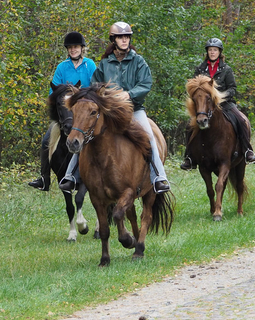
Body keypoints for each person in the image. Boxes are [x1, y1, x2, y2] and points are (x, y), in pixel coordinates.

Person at [59, 22, 171, 194]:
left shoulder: (138, 61)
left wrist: (129, 94)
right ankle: (71, 176)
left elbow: (146, 84)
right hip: (109, 112)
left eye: (127, 37)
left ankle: (159, 178)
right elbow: (95, 86)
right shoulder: (105, 64)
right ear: (114, 40)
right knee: (83, 132)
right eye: (120, 37)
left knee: (149, 137)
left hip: (134, 110)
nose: (124, 40)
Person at [28, 31, 96, 190]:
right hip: (65, 114)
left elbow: (94, 88)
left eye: (76, 47)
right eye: (70, 48)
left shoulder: (90, 65)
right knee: (46, 141)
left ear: (82, 48)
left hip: (83, 114)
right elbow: (53, 93)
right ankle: (44, 179)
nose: (73, 50)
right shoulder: (62, 67)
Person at [180, 38, 255, 170]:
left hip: (224, 104)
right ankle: (189, 157)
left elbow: (232, 88)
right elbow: (194, 87)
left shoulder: (226, 69)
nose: (212, 52)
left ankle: (247, 150)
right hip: (204, 105)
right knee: (189, 126)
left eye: (215, 50)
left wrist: (220, 97)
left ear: (219, 52)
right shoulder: (200, 68)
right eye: (210, 50)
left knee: (240, 120)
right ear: (207, 52)